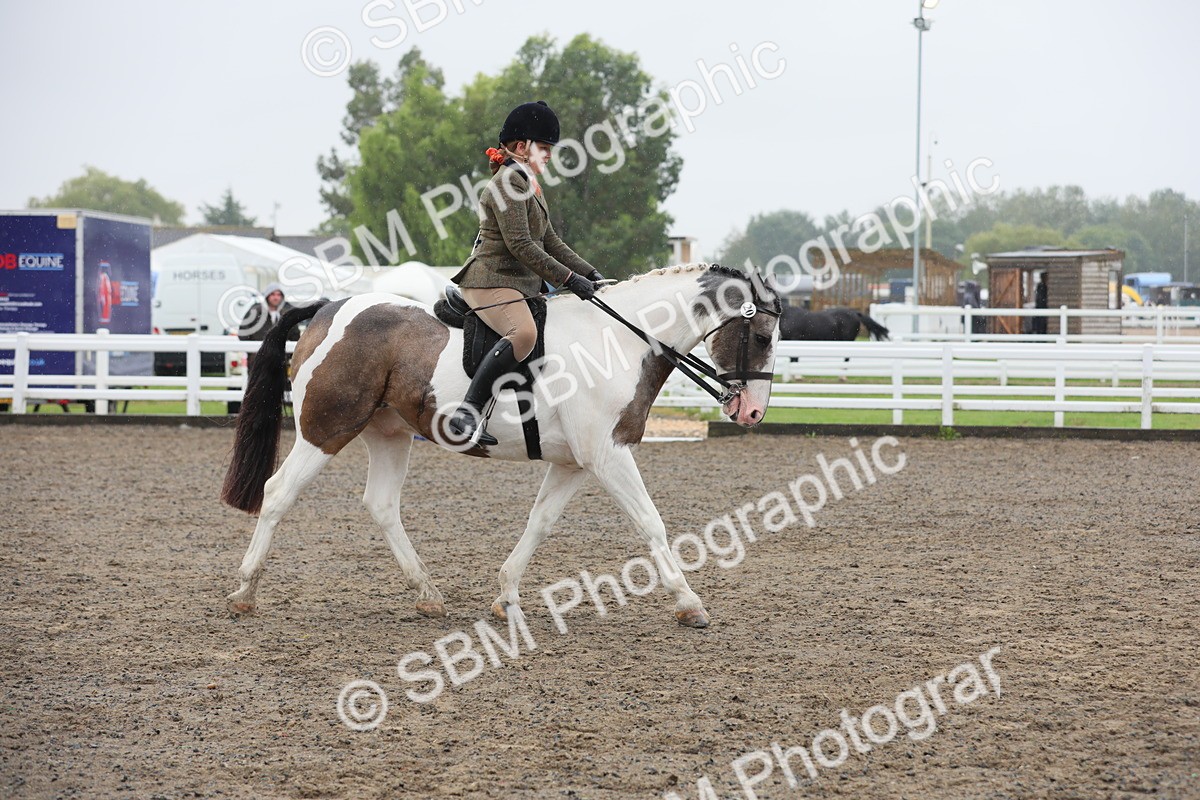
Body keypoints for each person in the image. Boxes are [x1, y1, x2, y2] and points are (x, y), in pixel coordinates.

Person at [447, 100, 605, 444]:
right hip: (489, 280)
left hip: (515, 283)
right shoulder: (507, 184)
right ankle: (468, 412)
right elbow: (521, 245)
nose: (549, 156)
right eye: (544, 148)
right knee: (524, 335)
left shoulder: (528, 183)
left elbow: (549, 240)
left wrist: (590, 273)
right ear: (522, 147)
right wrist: (567, 279)